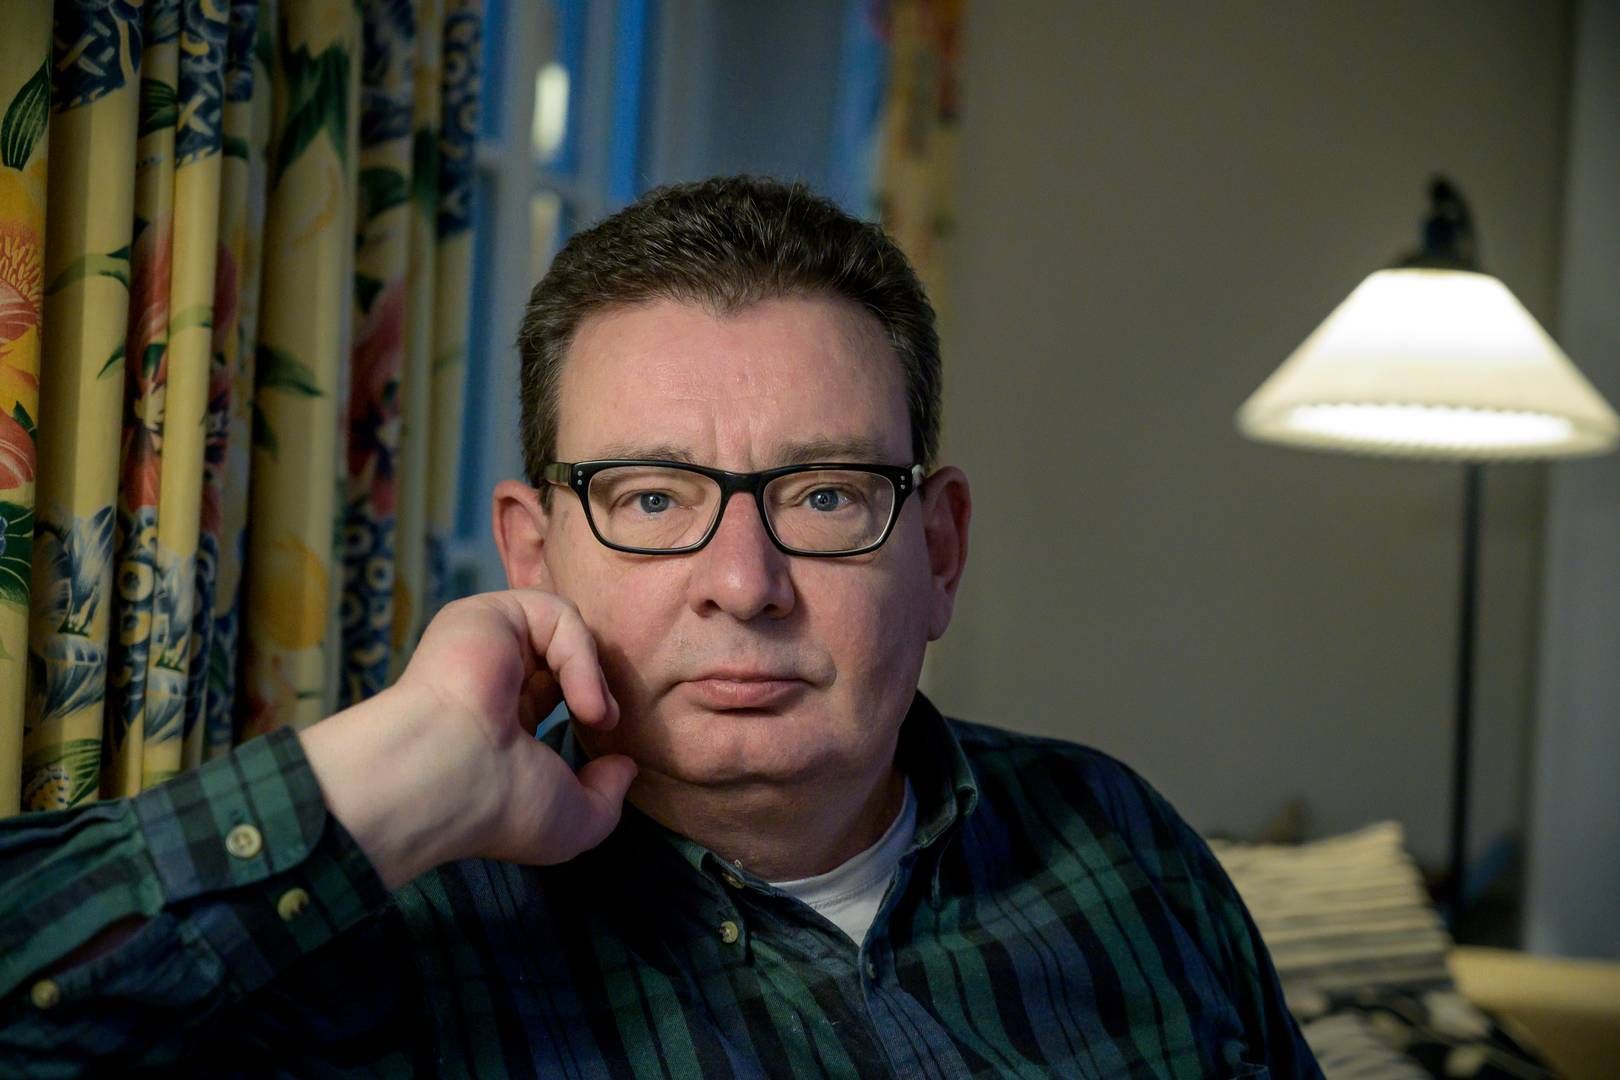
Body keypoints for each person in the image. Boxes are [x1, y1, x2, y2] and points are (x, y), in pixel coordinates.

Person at [1, 176, 1321, 1077]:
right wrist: (382, 776)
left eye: (823, 493)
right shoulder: (382, 946)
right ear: (533, 555)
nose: (744, 582)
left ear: (938, 550)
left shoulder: (1118, 841)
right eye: (649, 497)